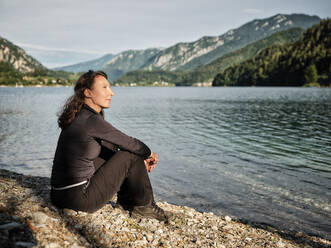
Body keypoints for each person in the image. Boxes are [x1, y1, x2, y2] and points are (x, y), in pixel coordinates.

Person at [50, 70, 168, 221]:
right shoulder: (90, 120)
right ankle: (144, 207)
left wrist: (138, 165)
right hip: (79, 199)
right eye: (104, 88)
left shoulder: (79, 115)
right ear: (88, 93)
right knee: (130, 154)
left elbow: (114, 147)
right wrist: (149, 154)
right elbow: (130, 143)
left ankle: (126, 200)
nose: (111, 93)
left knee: (120, 151)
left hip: (59, 195)